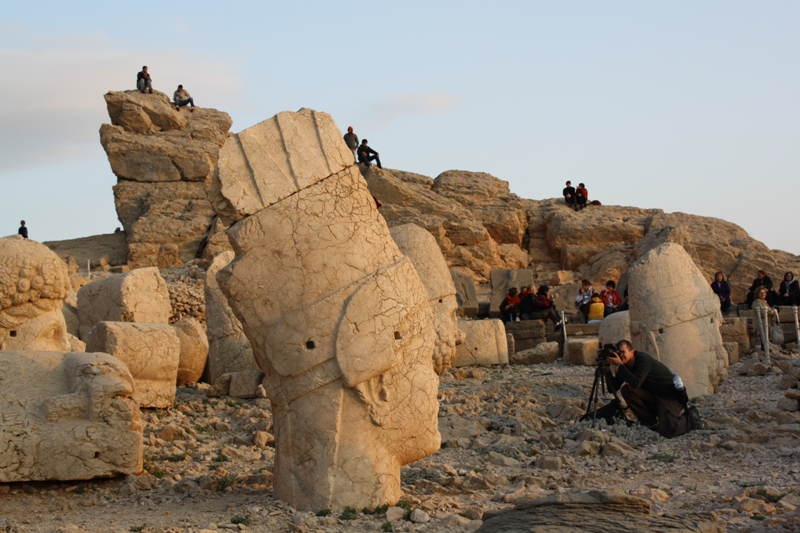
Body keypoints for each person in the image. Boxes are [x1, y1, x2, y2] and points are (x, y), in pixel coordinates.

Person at [604, 340, 700, 438]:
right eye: (618, 353)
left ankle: (692, 418)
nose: (620, 355)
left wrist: (620, 365)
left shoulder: (643, 360)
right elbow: (613, 388)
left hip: (669, 396)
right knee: (627, 390)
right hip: (653, 396)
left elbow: (636, 383)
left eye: (623, 352)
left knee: (668, 431)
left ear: (632, 352)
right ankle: (649, 422)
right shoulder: (624, 366)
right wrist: (607, 369)